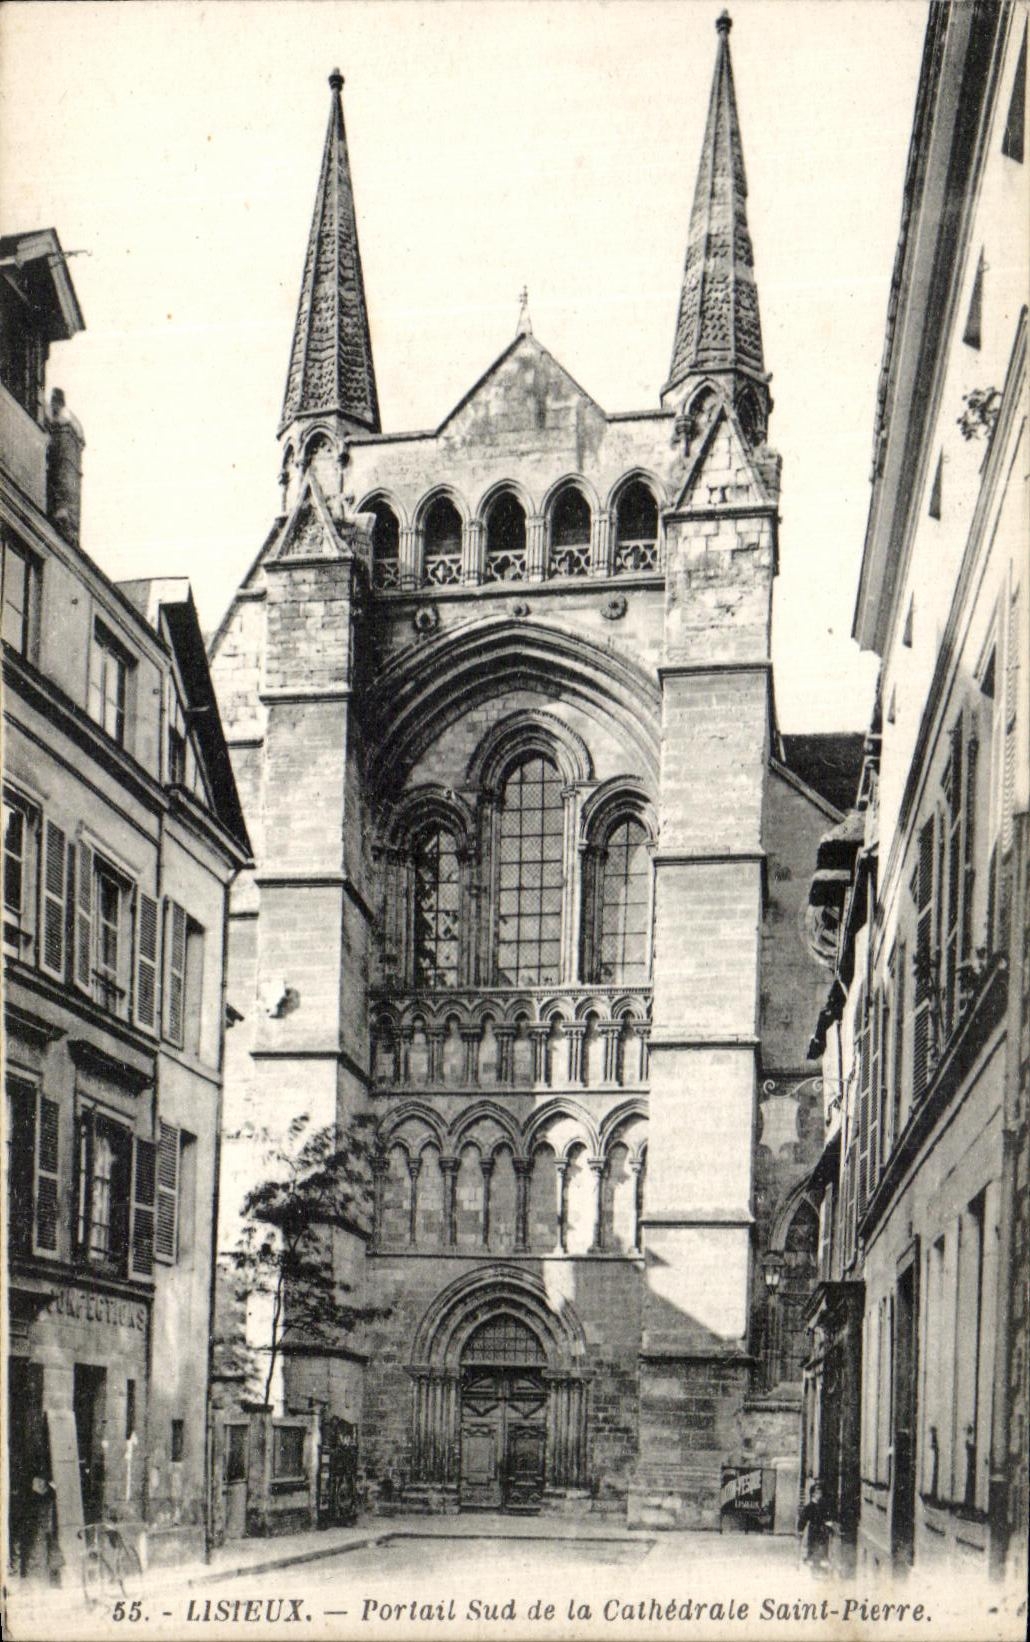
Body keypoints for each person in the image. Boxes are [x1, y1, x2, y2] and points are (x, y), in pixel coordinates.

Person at [798, 1480, 832, 1573]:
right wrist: (800, 1529)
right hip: (813, 1529)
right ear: (813, 1494)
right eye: (817, 1493)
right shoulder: (809, 1506)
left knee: (822, 1547)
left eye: (820, 1493)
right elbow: (803, 1519)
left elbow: (827, 1516)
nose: (819, 1495)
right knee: (812, 1546)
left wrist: (829, 1522)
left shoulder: (823, 1506)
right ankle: (813, 1567)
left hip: (822, 1530)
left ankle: (820, 1566)